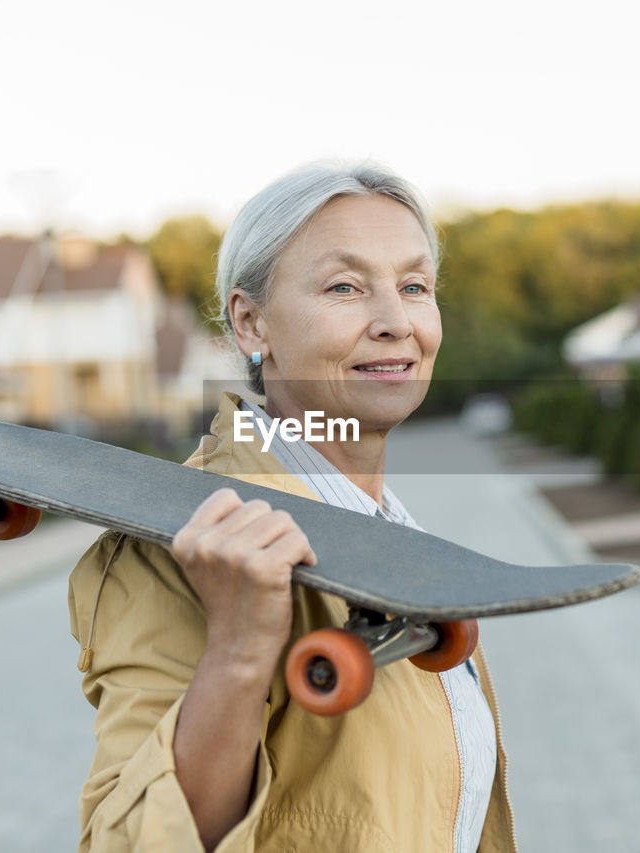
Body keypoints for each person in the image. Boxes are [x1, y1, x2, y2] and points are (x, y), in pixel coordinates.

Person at [68, 163, 516, 852]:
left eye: (414, 286)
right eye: (345, 287)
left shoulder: (395, 529)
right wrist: (240, 649)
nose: (396, 322)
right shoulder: (179, 545)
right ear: (251, 323)